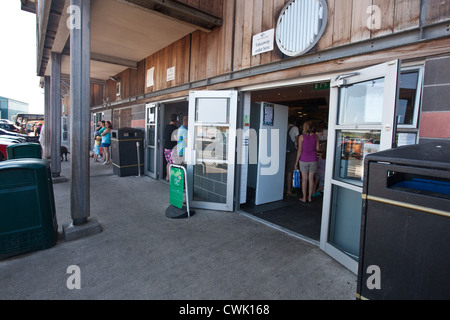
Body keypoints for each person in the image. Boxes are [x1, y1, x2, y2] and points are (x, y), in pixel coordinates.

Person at [295, 120, 320, 203]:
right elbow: (318, 149)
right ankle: (310, 197)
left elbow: (299, 150)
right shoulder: (316, 137)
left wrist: (296, 162)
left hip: (303, 160)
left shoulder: (301, 137)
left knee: (304, 179)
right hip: (313, 159)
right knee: (311, 179)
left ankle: (304, 197)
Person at [285, 115, 299, 197]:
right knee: (290, 171)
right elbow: (297, 141)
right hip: (292, 152)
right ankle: (289, 190)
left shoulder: (285, 126)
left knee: (284, 170)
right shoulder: (295, 128)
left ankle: (283, 188)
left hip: (284, 151)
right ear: (295, 122)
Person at [163, 114, 178, 181]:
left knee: (168, 162)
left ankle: (167, 177)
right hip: (171, 148)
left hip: (166, 147)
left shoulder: (167, 126)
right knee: (173, 163)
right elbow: (176, 138)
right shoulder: (174, 128)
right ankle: (172, 178)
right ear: (176, 120)